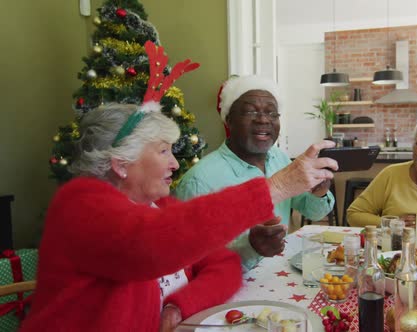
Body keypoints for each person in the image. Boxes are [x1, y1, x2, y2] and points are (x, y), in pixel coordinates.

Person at [21, 104, 337, 331]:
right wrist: (277, 187)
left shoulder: (159, 207)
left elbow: (224, 265)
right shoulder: (79, 205)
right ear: (121, 163)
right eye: (163, 151)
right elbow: (151, 246)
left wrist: (177, 306)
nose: (175, 163)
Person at [175, 75, 335, 270]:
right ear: (228, 120)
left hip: (279, 274)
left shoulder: (280, 159)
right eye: (250, 111)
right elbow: (189, 266)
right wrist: (250, 248)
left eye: (272, 113)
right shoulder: (198, 181)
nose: (263, 120)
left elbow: (312, 212)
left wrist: (319, 190)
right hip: (227, 292)